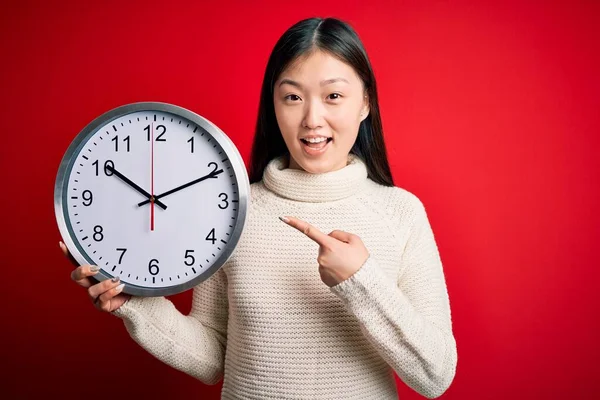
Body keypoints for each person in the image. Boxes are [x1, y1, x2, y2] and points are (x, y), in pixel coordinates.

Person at [61, 17, 457, 399]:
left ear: (365, 103)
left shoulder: (401, 212)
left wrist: (360, 281)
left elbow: (435, 375)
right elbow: (213, 357)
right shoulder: (232, 213)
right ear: (274, 105)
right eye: (292, 97)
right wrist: (133, 303)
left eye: (333, 96)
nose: (311, 119)